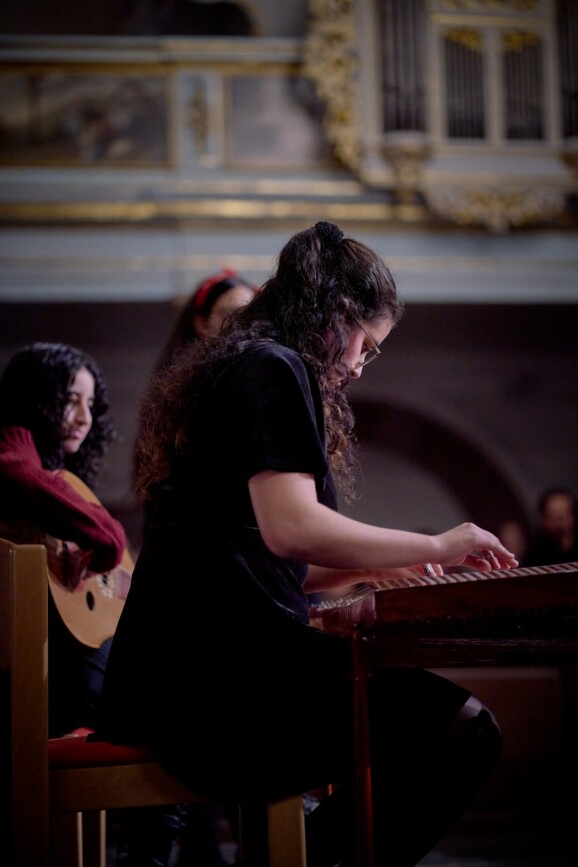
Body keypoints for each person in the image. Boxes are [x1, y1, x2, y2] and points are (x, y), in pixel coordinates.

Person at [96, 221, 518, 867]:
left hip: (178, 673)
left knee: (435, 729)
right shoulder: (274, 366)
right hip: (216, 686)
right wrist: (435, 542)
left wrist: (370, 571)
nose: (359, 364)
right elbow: (290, 529)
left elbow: (252, 555)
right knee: (464, 731)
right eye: (366, 344)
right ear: (337, 313)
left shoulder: (248, 362)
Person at [0, 342, 181, 867]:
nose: (83, 416)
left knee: (171, 708)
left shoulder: (51, 474)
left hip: (61, 672)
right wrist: (105, 540)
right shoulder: (12, 450)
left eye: (89, 403)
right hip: (44, 687)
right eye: (68, 399)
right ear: (35, 398)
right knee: (173, 722)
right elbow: (103, 532)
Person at [523, 486, 578, 567]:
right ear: (543, 519)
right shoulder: (537, 553)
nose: (558, 523)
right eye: (552, 517)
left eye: (561, 517)